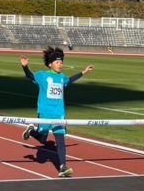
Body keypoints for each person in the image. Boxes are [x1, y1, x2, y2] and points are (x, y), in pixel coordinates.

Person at [19, 47, 93, 178]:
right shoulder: (42, 76)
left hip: (59, 114)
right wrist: (25, 67)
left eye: (61, 62)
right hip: (45, 113)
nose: (60, 64)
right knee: (42, 139)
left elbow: (70, 80)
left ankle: (63, 167)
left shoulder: (62, 78)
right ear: (50, 64)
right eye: (57, 62)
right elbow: (30, 76)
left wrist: (84, 72)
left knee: (60, 141)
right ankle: (32, 131)